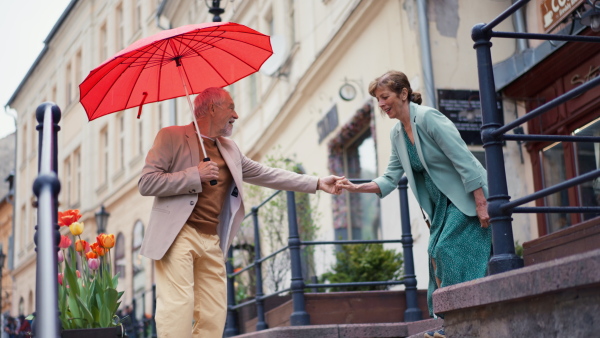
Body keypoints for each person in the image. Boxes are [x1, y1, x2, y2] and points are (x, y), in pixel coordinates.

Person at [138, 87, 343, 337]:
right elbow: (147, 183)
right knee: (178, 307)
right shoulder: (171, 137)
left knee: (214, 313)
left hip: (212, 238)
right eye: (231, 107)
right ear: (212, 108)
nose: (236, 114)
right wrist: (195, 175)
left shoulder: (230, 149)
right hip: (178, 234)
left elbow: (266, 173)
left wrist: (317, 182)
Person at [337, 70, 491, 338]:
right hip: (439, 205)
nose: (382, 104)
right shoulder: (397, 135)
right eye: (378, 100)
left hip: (463, 196)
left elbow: (463, 159)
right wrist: (355, 186)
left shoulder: (428, 118)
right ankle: (450, 321)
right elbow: (389, 177)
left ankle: (460, 317)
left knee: (446, 248)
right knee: (434, 252)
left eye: (385, 97)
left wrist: (481, 202)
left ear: (404, 93)